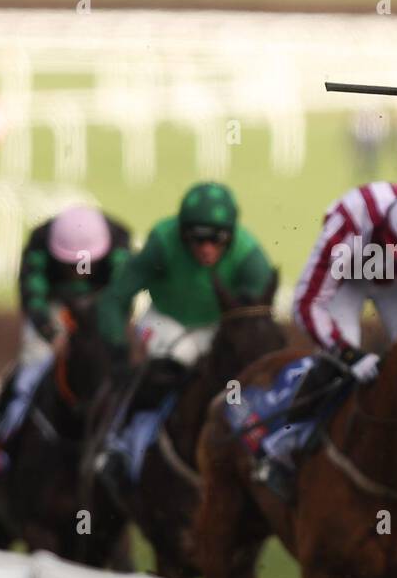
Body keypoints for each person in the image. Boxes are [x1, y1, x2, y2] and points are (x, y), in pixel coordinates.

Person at [259, 183, 397, 497]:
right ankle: (287, 442)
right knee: (337, 361)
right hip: (348, 279)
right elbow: (306, 303)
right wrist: (347, 355)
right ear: (387, 236)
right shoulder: (350, 221)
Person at [92, 182, 275, 485]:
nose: (207, 248)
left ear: (232, 235)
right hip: (166, 317)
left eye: (217, 239)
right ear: (182, 232)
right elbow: (115, 297)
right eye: (198, 238)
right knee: (166, 369)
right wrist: (118, 350)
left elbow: (254, 325)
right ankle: (117, 446)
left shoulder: (251, 260)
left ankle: (264, 453)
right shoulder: (162, 242)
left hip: (218, 326)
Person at [0, 205, 132, 476]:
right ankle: (0, 439)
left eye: (86, 265)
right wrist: (51, 333)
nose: (79, 271)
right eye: (71, 265)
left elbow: (123, 294)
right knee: (32, 366)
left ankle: (124, 446)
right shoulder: (40, 240)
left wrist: (106, 336)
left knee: (124, 367)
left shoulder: (120, 240)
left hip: (102, 309)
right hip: (55, 307)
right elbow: (32, 296)